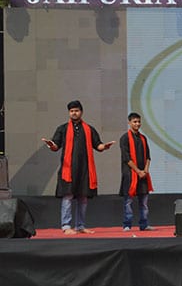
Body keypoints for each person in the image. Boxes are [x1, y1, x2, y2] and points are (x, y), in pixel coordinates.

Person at [41, 100, 115, 234]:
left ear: (81, 112)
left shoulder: (89, 129)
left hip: (85, 169)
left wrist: (105, 146)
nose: (74, 113)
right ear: (69, 113)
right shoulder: (62, 129)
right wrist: (51, 145)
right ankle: (66, 226)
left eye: (76, 110)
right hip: (68, 169)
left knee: (83, 198)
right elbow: (56, 146)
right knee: (68, 197)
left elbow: (98, 145)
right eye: (71, 111)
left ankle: (80, 226)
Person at [119, 112, 154, 232]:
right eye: (134, 122)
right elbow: (126, 158)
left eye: (139, 122)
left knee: (144, 202)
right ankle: (127, 224)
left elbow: (148, 157)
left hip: (143, 175)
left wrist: (145, 171)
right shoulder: (124, 138)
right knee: (128, 202)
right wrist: (138, 171)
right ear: (129, 123)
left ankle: (144, 224)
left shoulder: (143, 138)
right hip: (130, 175)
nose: (137, 124)